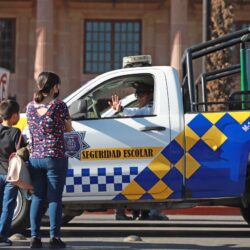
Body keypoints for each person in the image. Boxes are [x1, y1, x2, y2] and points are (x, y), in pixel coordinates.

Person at [109, 83, 168, 221]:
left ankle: (149, 212)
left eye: (141, 95)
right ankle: (135, 212)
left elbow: (138, 112)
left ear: (150, 95)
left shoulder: (152, 107)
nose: (139, 98)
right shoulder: (146, 107)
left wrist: (122, 109)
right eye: (137, 95)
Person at [26, 72, 72, 249]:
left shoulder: (30, 106)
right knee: (54, 198)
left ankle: (34, 237)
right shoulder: (59, 106)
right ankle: (54, 238)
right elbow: (68, 129)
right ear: (54, 87)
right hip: (54, 157)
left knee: (37, 197)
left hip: (35, 157)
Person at [0, 100, 26, 246]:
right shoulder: (16, 132)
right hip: (11, 175)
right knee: (8, 206)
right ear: (14, 115)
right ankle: (2, 236)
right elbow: (21, 152)